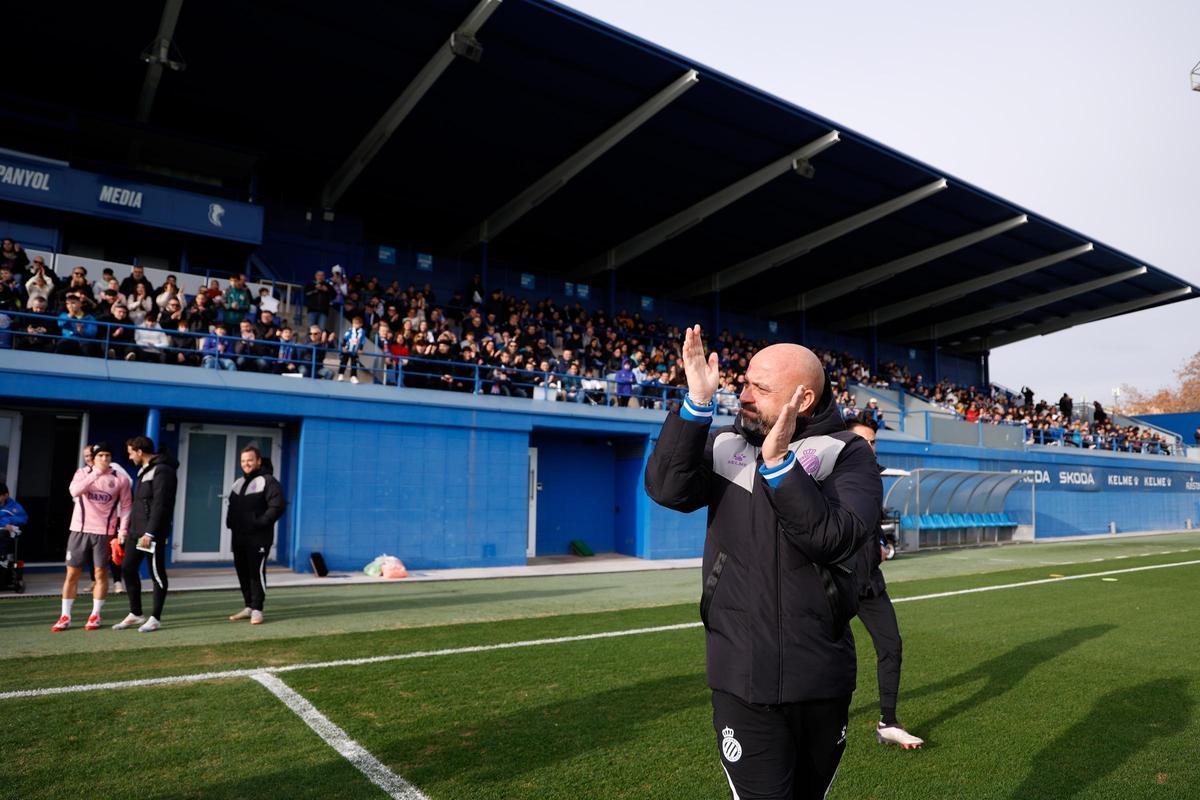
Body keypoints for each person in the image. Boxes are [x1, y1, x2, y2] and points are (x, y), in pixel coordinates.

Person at [645, 325, 881, 800]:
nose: (744, 396)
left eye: (761, 388)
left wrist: (779, 466)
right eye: (746, 383)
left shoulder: (847, 453)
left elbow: (833, 539)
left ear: (804, 399)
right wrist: (696, 404)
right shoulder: (724, 445)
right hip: (741, 675)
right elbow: (667, 489)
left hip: (820, 676)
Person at [844, 413, 925, 750]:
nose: (870, 447)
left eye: (873, 442)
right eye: (862, 441)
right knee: (826, 655)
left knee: (891, 646)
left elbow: (874, 521)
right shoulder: (827, 472)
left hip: (870, 582)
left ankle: (888, 722)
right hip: (836, 581)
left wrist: (881, 545)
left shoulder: (874, 476)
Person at [53, 443, 132, 632]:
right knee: (72, 574)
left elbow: (126, 506)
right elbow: (74, 491)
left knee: (100, 574)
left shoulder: (120, 479)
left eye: (107, 455)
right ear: (94, 458)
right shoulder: (82, 473)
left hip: (104, 533)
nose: (104, 459)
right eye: (100, 455)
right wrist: (95, 473)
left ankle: (95, 614)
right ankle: (65, 616)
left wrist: (122, 531)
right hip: (79, 530)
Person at [113, 437, 178, 632]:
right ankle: (136, 613)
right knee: (128, 568)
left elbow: (161, 504)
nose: (129, 457)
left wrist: (150, 532)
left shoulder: (163, 470)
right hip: (137, 532)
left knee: (156, 573)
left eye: (131, 453)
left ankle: (155, 618)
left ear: (140, 452)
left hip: (150, 534)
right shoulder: (144, 470)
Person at [226, 445, 286, 624]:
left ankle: (258, 609)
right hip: (239, 536)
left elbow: (277, 506)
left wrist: (259, 523)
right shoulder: (238, 483)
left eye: (250, 460)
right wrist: (230, 523)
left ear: (258, 461)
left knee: (256, 571)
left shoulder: (268, 481)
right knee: (243, 572)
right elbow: (232, 507)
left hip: (259, 537)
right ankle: (249, 606)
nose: (246, 464)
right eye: (243, 461)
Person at [0, 482, 28, 565]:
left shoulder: (14, 506)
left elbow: (23, 519)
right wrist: (4, 523)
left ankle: (3, 558)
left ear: (6, 495)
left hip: (7, 532)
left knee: (3, 533)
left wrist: (7, 522)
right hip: (4, 527)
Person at [337, 316, 367, 383]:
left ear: (361, 324)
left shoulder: (362, 332)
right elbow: (345, 338)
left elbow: (362, 341)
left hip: (355, 351)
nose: (355, 325)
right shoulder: (350, 330)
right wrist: (343, 347)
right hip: (347, 349)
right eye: (354, 323)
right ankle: (341, 374)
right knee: (344, 362)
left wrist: (360, 349)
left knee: (354, 363)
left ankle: (353, 376)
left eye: (357, 324)